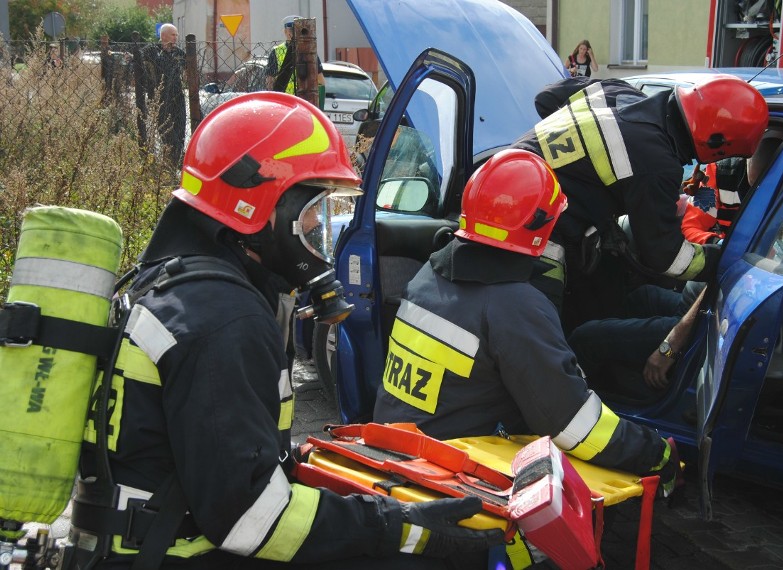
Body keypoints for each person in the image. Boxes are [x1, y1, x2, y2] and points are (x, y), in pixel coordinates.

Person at [67, 92, 504, 569]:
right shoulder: (225, 320)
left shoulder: (175, 282)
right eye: (314, 205)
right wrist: (396, 523)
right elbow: (253, 521)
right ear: (262, 204)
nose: (320, 224)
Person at [372, 149, 681, 497]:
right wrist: (655, 452)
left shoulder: (429, 274)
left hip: (393, 449)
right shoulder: (516, 306)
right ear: (544, 225)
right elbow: (572, 424)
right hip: (446, 479)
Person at [514, 74, 769, 331]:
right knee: (538, 330)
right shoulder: (658, 165)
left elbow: (545, 99)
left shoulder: (615, 89)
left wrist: (575, 164)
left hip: (497, 183)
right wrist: (726, 258)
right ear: (717, 145)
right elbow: (666, 257)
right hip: (533, 229)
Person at [568, 128, 783, 397]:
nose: (757, 187)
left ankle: (586, 405)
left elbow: (726, 283)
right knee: (638, 297)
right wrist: (723, 246)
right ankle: (625, 371)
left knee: (584, 339)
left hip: (707, 316)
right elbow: (691, 229)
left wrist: (669, 347)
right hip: (696, 301)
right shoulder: (720, 173)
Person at [142, 23, 187, 166]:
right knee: (165, 128)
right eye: (173, 35)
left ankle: (175, 159)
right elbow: (138, 59)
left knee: (180, 128)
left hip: (177, 95)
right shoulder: (152, 51)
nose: (176, 38)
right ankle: (175, 157)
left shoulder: (179, 53)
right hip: (159, 96)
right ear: (163, 36)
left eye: (176, 35)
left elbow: (188, 70)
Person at [266, 16, 325, 95]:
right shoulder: (276, 51)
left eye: (295, 30)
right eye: (291, 30)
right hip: (285, 99)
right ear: (285, 32)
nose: (293, 33)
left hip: (304, 98)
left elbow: (320, 79)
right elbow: (270, 80)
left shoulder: (309, 51)